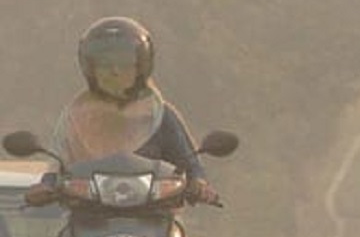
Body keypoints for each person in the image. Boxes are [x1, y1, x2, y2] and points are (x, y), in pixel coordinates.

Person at [24, 16, 219, 206]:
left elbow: (190, 164)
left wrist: (199, 185)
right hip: (88, 218)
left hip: (156, 217)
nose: (114, 71)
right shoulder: (75, 116)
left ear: (140, 67)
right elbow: (56, 165)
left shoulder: (160, 114)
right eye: (104, 64)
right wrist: (46, 186)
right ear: (90, 69)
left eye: (124, 63)